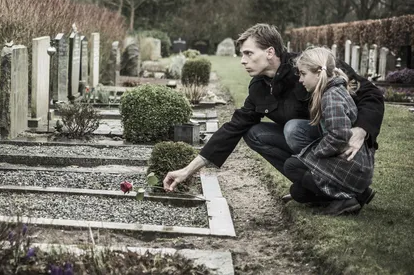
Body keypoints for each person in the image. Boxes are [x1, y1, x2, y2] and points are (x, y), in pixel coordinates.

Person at [163, 24, 384, 210]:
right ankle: (314, 186)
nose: (242, 60)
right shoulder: (259, 87)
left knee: (293, 129)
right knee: (254, 134)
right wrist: (187, 170)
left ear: (269, 52)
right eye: (242, 54)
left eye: (248, 53)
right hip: (317, 145)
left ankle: (339, 188)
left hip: (340, 146)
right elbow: (233, 128)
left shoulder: (311, 64)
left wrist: (362, 129)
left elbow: (371, 93)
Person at [283, 47, 375, 215]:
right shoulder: (333, 90)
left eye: (303, 74)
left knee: (292, 166)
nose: (300, 80)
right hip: (353, 164)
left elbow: (339, 136)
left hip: (352, 165)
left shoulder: (331, 96)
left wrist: (315, 154)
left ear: (319, 72)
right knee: (298, 192)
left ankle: (348, 199)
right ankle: (358, 194)